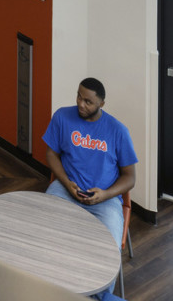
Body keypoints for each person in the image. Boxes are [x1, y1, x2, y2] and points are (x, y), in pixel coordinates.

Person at [42, 78, 138, 251]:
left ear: (102, 104)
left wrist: (106, 194)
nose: (81, 104)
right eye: (79, 97)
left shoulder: (118, 131)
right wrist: (66, 182)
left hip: (105, 201)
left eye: (88, 102)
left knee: (107, 253)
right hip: (65, 190)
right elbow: (51, 154)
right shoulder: (62, 117)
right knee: (43, 235)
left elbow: (130, 178)